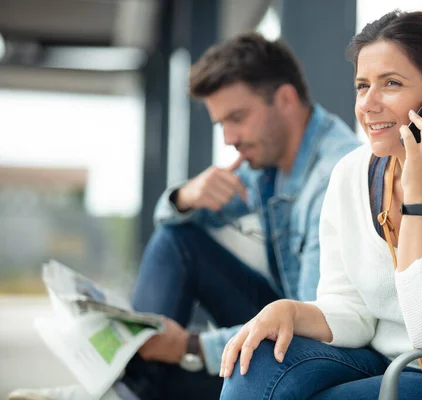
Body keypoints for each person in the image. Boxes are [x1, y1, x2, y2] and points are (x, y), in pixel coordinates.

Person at [9, 33, 361, 400]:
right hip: (288, 316)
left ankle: (126, 390)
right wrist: (185, 196)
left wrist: (190, 345)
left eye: (237, 118)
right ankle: (129, 387)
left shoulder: (333, 176)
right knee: (178, 239)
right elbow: (176, 227)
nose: (228, 139)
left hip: (327, 345)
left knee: (171, 367)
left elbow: (313, 321)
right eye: (221, 124)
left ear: (286, 99)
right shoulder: (264, 165)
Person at [218, 10, 422, 400]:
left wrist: (419, 197)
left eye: (391, 83)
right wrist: (289, 311)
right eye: (362, 86)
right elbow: (351, 311)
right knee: (255, 361)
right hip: (383, 359)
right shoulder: (350, 174)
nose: (368, 104)